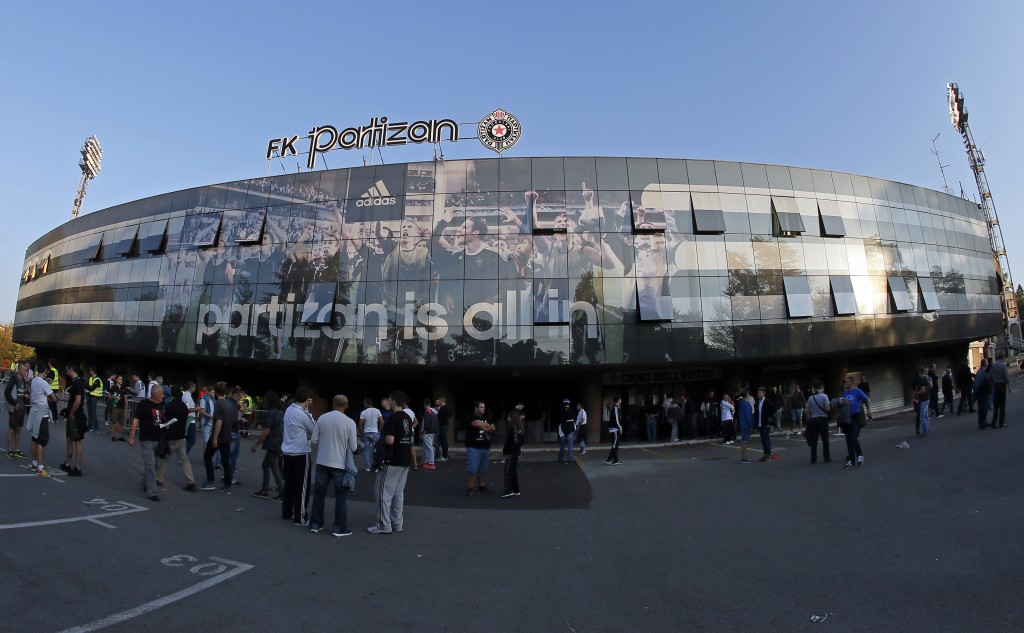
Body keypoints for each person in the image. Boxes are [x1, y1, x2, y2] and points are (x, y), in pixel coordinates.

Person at [309, 395, 358, 537]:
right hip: (340, 464)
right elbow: (354, 447)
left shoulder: (323, 418)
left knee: (319, 493)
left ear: (333, 404)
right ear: (346, 405)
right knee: (341, 496)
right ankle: (339, 528)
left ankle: (315, 524)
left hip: (322, 461)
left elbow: (313, 441)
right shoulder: (350, 422)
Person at [368, 391, 413, 534]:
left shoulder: (393, 418)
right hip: (405, 458)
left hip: (392, 459)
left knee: (383, 493)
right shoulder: (407, 417)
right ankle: (397, 523)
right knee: (398, 493)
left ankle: (383, 525)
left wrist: (380, 441)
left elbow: (390, 440)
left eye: (389, 399)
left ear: (393, 401)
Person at [281, 386, 315, 525]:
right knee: (302, 487)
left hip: (287, 452)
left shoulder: (289, 409)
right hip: (301, 453)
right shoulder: (302, 413)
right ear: (307, 400)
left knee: (289, 483)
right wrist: (308, 410)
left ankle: (286, 512)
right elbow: (314, 428)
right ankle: (300, 516)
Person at [128, 384, 166, 501]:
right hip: (147, 439)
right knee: (149, 465)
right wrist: (132, 436)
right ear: (155, 395)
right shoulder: (143, 404)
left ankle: (145, 482)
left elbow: (160, 418)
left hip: (158, 438)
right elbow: (135, 419)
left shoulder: (160, 404)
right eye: (161, 394)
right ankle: (152, 492)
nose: (163, 396)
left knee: (156, 464)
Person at [156, 385, 197, 492]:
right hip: (182, 436)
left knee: (164, 458)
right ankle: (191, 482)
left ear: (172, 394)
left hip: (172, 436)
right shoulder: (183, 406)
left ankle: (159, 478)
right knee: (185, 460)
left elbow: (165, 420)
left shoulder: (170, 405)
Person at [201, 383, 238, 494]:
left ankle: (210, 481)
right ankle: (227, 485)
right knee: (225, 462)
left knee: (207, 457)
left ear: (216, 392)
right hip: (227, 436)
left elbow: (218, 421)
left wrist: (214, 438)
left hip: (219, 436)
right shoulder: (229, 404)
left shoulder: (218, 404)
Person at [251, 391, 285, 499]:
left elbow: (266, 431)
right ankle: (265, 489)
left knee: (274, 468)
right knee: (266, 465)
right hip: (279, 442)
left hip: (272, 443)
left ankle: (282, 492)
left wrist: (256, 445)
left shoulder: (270, 413)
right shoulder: (281, 412)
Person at [60, 364, 87, 477]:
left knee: (76, 440)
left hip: (76, 416)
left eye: (67, 371)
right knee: (69, 438)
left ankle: (77, 467)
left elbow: (78, 401)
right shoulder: (76, 382)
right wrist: (64, 399)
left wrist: (71, 413)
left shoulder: (78, 382)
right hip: (73, 415)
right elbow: (74, 400)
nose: (66, 373)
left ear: (71, 370)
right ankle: (68, 463)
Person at [464, 400, 495, 495]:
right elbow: (476, 424)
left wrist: (482, 426)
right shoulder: (470, 417)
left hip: (485, 447)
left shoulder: (486, 418)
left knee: (483, 469)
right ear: (476, 408)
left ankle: (481, 486)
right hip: (473, 446)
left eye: (484, 407)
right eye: (481, 407)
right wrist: (485, 426)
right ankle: (470, 488)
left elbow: (493, 427)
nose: (483, 409)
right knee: (473, 469)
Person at [841, 376, 870, 468]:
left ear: (852, 383)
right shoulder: (844, 393)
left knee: (853, 437)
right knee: (848, 440)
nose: (845, 384)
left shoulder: (857, 391)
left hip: (855, 417)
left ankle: (860, 455)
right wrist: (841, 403)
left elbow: (867, 399)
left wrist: (869, 410)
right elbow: (842, 404)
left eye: (847, 382)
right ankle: (851, 460)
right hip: (846, 418)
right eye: (845, 382)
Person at [5, 361, 30, 460]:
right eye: (23, 370)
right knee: (12, 428)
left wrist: (26, 395)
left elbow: (23, 393)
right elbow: (7, 393)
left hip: (21, 407)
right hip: (15, 408)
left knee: (18, 428)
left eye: (26, 370)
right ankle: (10, 450)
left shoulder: (24, 381)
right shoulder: (13, 379)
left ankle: (17, 450)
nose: (25, 372)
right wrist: (14, 404)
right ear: (18, 370)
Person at [804, 383, 831, 464]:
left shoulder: (810, 398)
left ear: (814, 389)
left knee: (814, 441)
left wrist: (809, 419)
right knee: (825, 440)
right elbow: (827, 408)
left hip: (814, 420)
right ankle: (826, 457)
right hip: (823, 419)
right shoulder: (824, 396)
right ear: (821, 388)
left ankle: (813, 458)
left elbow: (807, 411)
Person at [501, 409, 525, 497]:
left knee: (508, 470)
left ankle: (508, 490)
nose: (507, 418)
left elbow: (515, 441)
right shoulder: (520, 427)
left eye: (508, 417)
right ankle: (515, 489)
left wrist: (510, 449)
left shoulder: (514, 427)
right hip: (515, 451)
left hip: (512, 452)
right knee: (513, 470)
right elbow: (522, 440)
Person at [359, 397, 383, 472]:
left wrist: (362, 433)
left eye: (364, 403)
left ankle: (367, 467)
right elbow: (382, 422)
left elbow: (360, 424)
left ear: (366, 403)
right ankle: (376, 466)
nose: (364, 404)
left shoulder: (363, 412)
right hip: (375, 432)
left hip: (366, 432)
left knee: (366, 450)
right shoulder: (377, 411)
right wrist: (378, 431)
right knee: (376, 450)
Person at [990, 352, 1011, 429]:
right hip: (1002, 386)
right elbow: (1006, 378)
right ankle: (1001, 423)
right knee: (1002, 406)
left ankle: (993, 423)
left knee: (996, 406)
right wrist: (1009, 387)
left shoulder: (994, 365)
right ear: (1003, 357)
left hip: (996, 386)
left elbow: (989, 376)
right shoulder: (1003, 365)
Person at [754, 387, 775, 462]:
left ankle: (768, 455)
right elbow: (758, 413)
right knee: (763, 440)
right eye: (758, 393)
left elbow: (772, 408)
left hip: (766, 423)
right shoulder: (758, 402)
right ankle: (765, 455)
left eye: (760, 393)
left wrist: (770, 418)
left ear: (763, 393)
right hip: (761, 423)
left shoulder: (767, 401)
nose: (758, 394)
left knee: (766, 439)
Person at [972, 360, 993, 430]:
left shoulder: (982, 372)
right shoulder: (981, 373)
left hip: (984, 393)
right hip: (982, 394)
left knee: (984, 409)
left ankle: (983, 422)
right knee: (983, 409)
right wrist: (976, 394)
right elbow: (976, 385)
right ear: (985, 364)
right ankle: (981, 423)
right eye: (987, 363)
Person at [913, 367, 932, 438]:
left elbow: (923, 390)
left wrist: (916, 393)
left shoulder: (922, 379)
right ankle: (927, 429)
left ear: (919, 372)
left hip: (923, 399)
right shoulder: (926, 378)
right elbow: (931, 386)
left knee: (922, 416)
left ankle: (925, 432)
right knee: (926, 416)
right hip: (927, 398)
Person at [420, 399, 438, 470]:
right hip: (433, 431)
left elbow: (426, 423)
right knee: (426, 446)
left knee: (428, 447)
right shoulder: (435, 411)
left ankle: (431, 463)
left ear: (424, 404)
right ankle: (424, 461)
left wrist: (424, 430)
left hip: (427, 432)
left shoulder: (427, 412)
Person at [736, 391, 754, 464]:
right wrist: (751, 425)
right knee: (745, 441)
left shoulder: (741, 403)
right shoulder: (746, 404)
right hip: (746, 424)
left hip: (742, 424)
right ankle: (744, 457)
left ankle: (744, 457)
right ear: (746, 396)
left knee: (744, 441)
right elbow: (748, 416)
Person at [182, 381, 199, 454]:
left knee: (188, 439)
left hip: (191, 419)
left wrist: (194, 407)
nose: (195, 388)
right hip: (189, 420)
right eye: (194, 387)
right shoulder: (187, 395)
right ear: (191, 387)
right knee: (192, 440)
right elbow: (187, 409)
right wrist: (197, 409)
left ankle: (183, 455)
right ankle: (183, 455)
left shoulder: (188, 396)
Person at [108, 375, 127, 442]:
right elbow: (109, 397)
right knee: (113, 422)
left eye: (121, 379)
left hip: (122, 407)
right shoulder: (113, 387)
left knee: (121, 422)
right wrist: (115, 397)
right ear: (116, 380)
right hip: (115, 407)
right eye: (119, 379)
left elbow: (125, 397)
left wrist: (126, 406)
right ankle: (113, 436)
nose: (121, 380)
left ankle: (120, 436)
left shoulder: (123, 388)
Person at [605, 397, 623, 465]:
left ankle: (614, 459)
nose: (621, 401)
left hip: (615, 428)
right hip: (614, 429)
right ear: (618, 400)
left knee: (615, 444)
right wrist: (620, 428)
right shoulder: (615, 408)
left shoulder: (616, 408)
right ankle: (611, 459)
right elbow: (616, 419)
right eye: (620, 400)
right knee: (615, 444)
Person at [557, 399, 576, 463]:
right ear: (569, 404)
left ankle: (560, 458)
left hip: (563, 428)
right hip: (570, 427)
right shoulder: (572, 411)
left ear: (563, 404)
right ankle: (569, 459)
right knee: (570, 445)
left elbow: (559, 419)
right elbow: (574, 418)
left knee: (562, 445)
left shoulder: (560, 411)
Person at [86, 367, 104, 434]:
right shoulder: (91, 378)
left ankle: (97, 428)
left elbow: (92, 388)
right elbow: (86, 385)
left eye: (90, 370)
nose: (89, 371)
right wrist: (89, 387)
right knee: (89, 412)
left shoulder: (98, 379)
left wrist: (89, 387)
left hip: (94, 397)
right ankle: (89, 427)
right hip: (89, 396)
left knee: (93, 412)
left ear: (92, 371)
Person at [435, 397, 452, 461]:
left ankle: (445, 456)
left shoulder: (442, 408)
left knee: (443, 440)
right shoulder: (447, 408)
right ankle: (444, 455)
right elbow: (451, 413)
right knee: (442, 439)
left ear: (441, 401)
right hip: (445, 425)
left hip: (442, 425)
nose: (438, 402)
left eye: (439, 401)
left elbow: (439, 417)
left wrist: (443, 419)